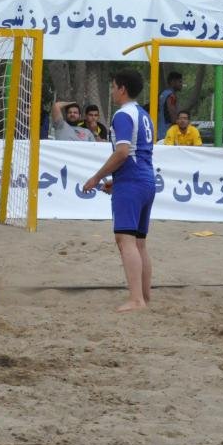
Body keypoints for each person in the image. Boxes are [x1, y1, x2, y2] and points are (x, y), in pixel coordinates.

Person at [82, 69, 156, 313]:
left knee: (125, 241)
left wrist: (97, 177)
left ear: (122, 88)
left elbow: (123, 152)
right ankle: (144, 296)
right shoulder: (144, 115)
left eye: (114, 87)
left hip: (132, 183)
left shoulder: (123, 115)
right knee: (139, 243)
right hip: (146, 180)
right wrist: (118, 180)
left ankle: (136, 299)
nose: (112, 91)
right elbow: (138, 152)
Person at [157, 71, 183, 139]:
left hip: (160, 132)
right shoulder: (171, 96)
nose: (181, 84)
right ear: (173, 82)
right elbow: (174, 118)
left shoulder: (162, 93)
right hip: (167, 134)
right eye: (180, 82)